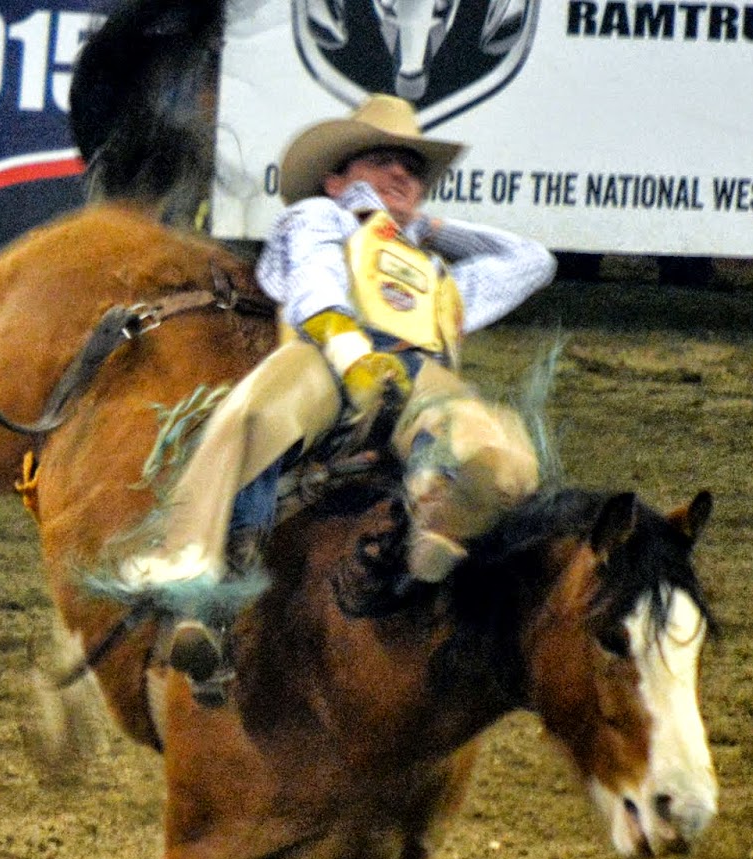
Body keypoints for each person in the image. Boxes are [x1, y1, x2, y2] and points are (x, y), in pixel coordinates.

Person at [118, 94, 556, 701]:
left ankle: (433, 535)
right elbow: (316, 279)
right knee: (251, 417)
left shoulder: (433, 268)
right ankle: (202, 593)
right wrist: (349, 348)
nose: (403, 174)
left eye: (413, 169)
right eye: (383, 160)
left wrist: (426, 226)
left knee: (496, 447)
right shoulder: (317, 219)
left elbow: (531, 261)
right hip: (326, 355)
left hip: (415, 377)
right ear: (336, 179)